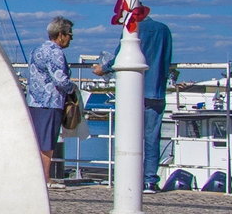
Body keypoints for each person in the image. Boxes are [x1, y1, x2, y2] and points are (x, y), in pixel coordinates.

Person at [93, 16, 174, 191]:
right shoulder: (164, 30)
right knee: (152, 138)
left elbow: (121, 57)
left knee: (129, 135)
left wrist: (103, 69)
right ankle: (150, 180)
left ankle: (128, 177)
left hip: (134, 90)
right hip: (156, 90)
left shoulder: (133, 29)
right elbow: (167, 59)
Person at [27, 17, 76, 181]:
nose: (71, 38)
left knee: (36, 139)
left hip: (34, 101)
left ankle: (36, 174)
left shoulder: (35, 50)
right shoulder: (56, 52)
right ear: (61, 34)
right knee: (47, 141)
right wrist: (73, 89)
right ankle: (45, 176)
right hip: (51, 101)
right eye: (70, 35)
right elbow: (60, 80)